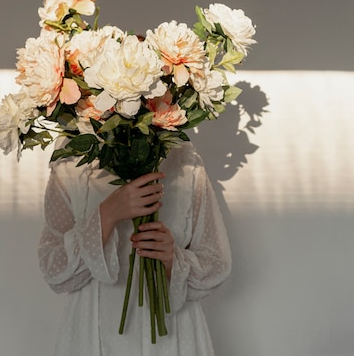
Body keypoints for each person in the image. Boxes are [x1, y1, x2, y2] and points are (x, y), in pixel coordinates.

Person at [38, 140, 232, 356]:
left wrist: (171, 259)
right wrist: (107, 214)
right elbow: (52, 266)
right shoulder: (72, 154)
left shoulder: (182, 155)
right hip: (94, 330)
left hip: (171, 332)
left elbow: (216, 262)